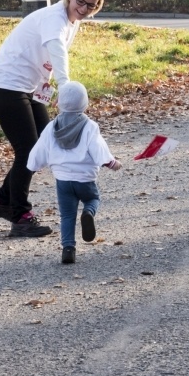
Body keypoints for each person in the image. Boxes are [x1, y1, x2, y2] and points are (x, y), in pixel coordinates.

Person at [0, 0, 106, 237]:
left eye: (91, 5)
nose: (83, 9)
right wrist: (67, 90)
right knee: (28, 149)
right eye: (80, 1)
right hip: (5, 86)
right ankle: (20, 217)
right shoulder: (54, 19)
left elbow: (46, 61)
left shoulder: (72, 21)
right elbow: (58, 54)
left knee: (45, 143)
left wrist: (46, 91)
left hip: (28, 87)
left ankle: (3, 200)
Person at [27, 81, 122, 264]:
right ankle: (88, 213)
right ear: (85, 104)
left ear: (59, 103)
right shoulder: (89, 126)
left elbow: (40, 149)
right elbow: (98, 148)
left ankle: (68, 249)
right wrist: (111, 162)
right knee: (93, 199)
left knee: (67, 216)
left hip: (63, 181)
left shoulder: (51, 127)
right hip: (85, 179)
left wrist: (32, 166)